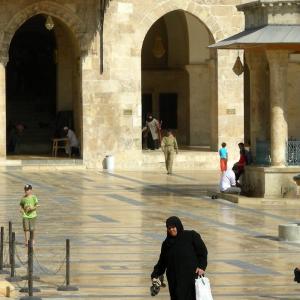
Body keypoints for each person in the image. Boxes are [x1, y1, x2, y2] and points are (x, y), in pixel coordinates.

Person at [151, 216, 208, 300]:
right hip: (174, 280)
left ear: (178, 226)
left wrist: (202, 267)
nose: (171, 230)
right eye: (169, 228)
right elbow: (162, 262)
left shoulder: (191, 236)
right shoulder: (166, 244)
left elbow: (203, 252)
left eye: (173, 227)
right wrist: (155, 275)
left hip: (191, 278)